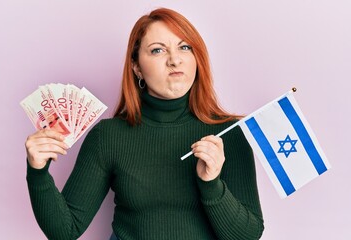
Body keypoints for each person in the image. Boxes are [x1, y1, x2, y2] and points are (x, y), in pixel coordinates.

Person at [25, 7, 264, 240]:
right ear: (137, 67)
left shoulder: (230, 133)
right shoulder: (108, 137)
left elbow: (248, 235)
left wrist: (211, 184)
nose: (174, 60)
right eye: (158, 50)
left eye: (184, 47)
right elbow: (65, 231)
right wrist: (37, 172)